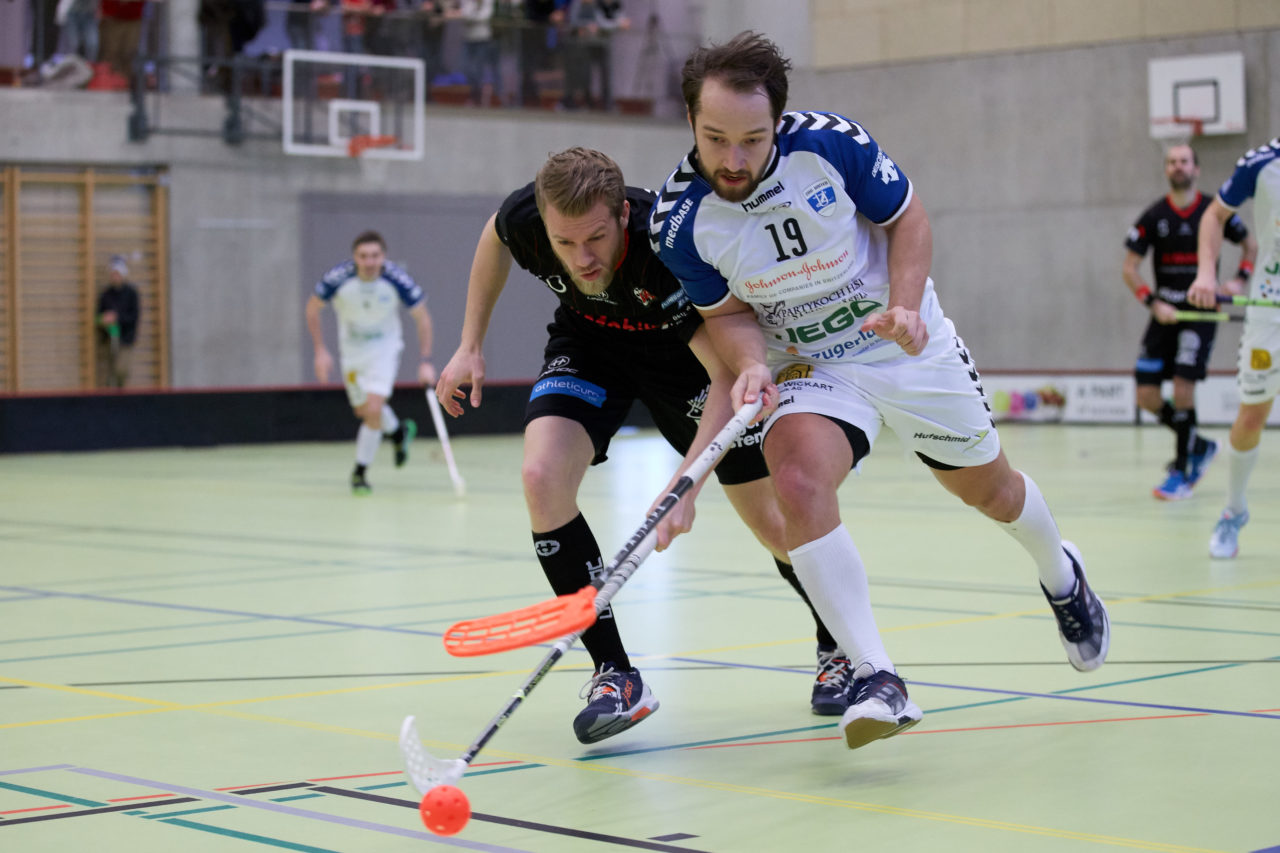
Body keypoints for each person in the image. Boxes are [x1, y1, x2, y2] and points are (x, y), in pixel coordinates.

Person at [649, 31, 1110, 752]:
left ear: (779, 123)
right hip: (813, 362)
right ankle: (876, 676)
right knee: (795, 478)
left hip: (903, 345)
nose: (733, 160)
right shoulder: (678, 222)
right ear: (689, 125)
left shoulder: (833, 147)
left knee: (992, 492)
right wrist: (748, 363)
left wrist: (902, 302)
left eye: (752, 139)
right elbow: (727, 313)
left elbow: (908, 219)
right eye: (715, 139)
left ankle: (1062, 572)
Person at [436, 147, 859, 745]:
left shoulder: (666, 247)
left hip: (688, 368)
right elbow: (494, 235)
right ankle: (616, 676)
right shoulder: (530, 220)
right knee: (541, 478)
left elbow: (724, 376)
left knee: (772, 525)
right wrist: (469, 343)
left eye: (597, 239)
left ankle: (836, 641)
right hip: (591, 348)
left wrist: (685, 485)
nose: (582, 259)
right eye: (565, 243)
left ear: (620, 215)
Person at [1122, 144, 1256, 500]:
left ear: (1196, 169)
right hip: (1164, 314)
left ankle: (1183, 470)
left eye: (1184, 161)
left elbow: (1250, 246)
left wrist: (1239, 280)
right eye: (1171, 162)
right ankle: (1197, 444)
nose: (1177, 167)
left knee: (1183, 388)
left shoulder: (1214, 211)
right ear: (1166, 169)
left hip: (1200, 314)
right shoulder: (1154, 215)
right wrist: (1151, 302)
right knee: (1147, 395)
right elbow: (1129, 268)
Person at [1188, 136, 1280, 559]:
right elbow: (1215, 216)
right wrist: (1206, 274)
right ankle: (1234, 511)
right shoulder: (1262, 163)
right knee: (1251, 416)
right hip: (1270, 309)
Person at [306, 231, 435, 495]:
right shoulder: (339, 278)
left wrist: (425, 360)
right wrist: (320, 351)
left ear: (383, 257)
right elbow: (312, 308)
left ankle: (360, 472)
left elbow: (422, 317)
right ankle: (398, 433)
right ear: (355, 258)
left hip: (384, 349)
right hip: (351, 351)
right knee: (365, 412)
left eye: (375, 256)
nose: (369, 262)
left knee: (374, 408)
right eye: (363, 256)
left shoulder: (396, 278)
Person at [97, 255, 140, 388]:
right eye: (113, 274)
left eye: (117, 274)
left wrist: (117, 317)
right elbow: (99, 315)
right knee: (109, 374)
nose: (115, 276)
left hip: (125, 338)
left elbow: (134, 316)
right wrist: (104, 320)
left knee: (121, 370)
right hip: (110, 338)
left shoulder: (131, 294)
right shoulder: (106, 294)